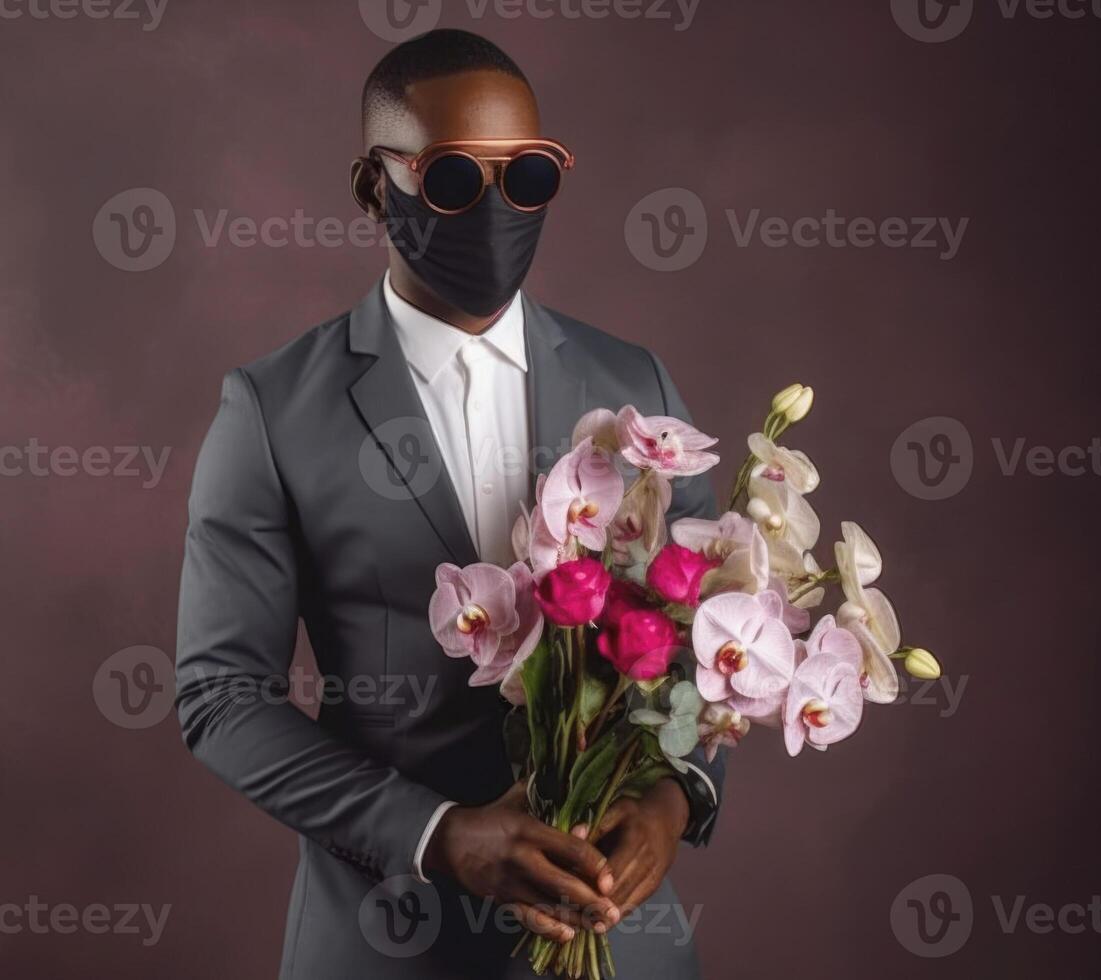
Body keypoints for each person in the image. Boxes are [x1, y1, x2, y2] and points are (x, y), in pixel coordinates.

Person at [175, 29, 721, 979]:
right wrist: (437, 833)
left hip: (626, 945)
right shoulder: (270, 411)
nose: (499, 209)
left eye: (530, 179)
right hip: (386, 939)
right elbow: (221, 697)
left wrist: (673, 800)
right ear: (372, 187)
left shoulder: (635, 384)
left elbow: (705, 634)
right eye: (457, 179)